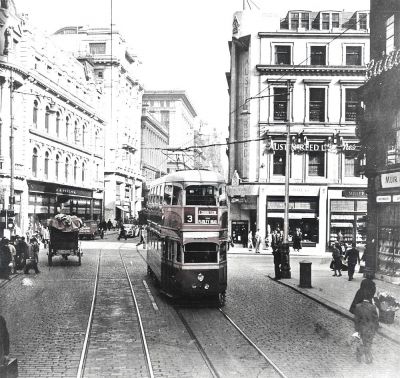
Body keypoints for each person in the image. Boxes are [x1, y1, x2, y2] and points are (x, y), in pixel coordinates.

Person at [354, 282, 379, 364]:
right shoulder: (373, 307)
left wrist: (357, 329)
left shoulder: (358, 306)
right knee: (368, 343)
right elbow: (375, 319)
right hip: (370, 329)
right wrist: (376, 328)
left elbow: (356, 319)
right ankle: (366, 356)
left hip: (362, 329)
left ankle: (364, 355)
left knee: (365, 342)